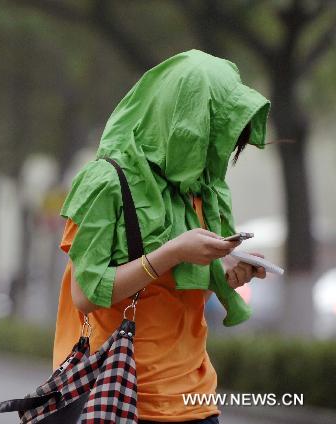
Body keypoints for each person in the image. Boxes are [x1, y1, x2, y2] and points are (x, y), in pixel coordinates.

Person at [53, 50, 270, 423]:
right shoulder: (106, 182)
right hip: (121, 397)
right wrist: (172, 252)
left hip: (194, 399)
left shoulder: (204, 190)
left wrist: (227, 271)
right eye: (211, 138)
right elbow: (86, 295)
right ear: (184, 125)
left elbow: (181, 294)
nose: (220, 154)